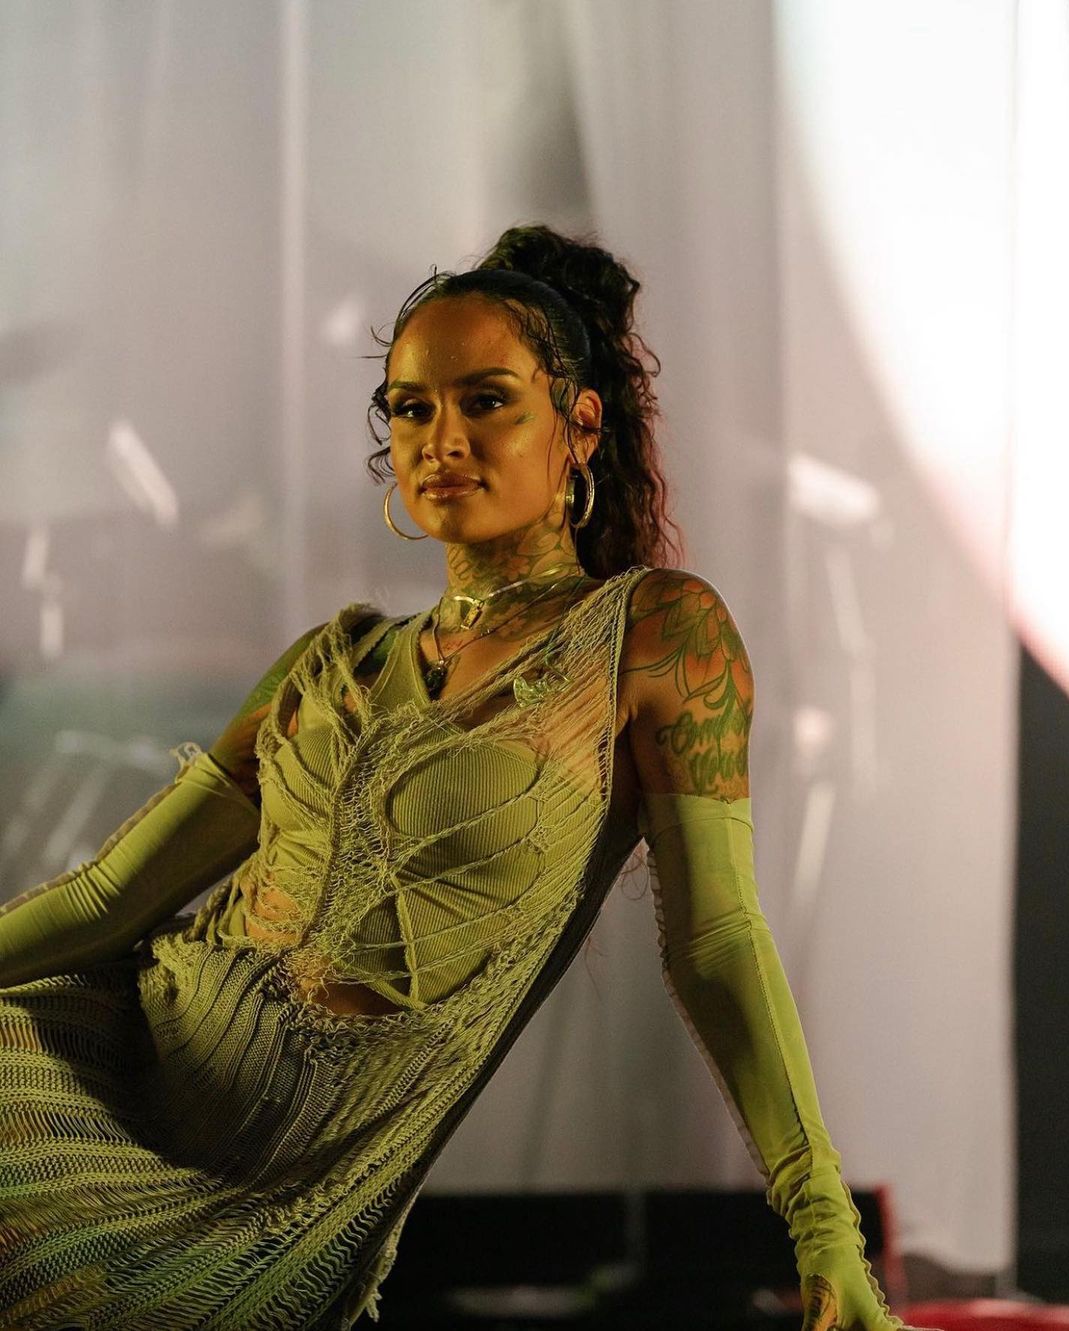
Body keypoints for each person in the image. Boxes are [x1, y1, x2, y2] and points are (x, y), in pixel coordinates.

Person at [0, 224, 934, 1331]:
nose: (441, 439)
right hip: (88, 1084)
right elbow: (107, 899)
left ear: (579, 424)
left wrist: (825, 1225)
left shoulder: (653, 637)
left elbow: (718, 938)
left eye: (486, 401)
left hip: (259, 1206)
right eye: (410, 409)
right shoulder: (330, 667)